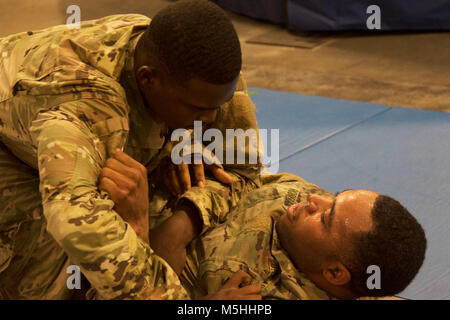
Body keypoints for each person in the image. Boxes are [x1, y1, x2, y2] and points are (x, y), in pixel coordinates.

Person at [0, 0, 263, 299]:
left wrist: (186, 218)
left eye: (218, 105)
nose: (211, 120)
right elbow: (75, 224)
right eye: (199, 110)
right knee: (53, 275)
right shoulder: (91, 107)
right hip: (15, 138)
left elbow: (243, 173)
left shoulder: (194, 69)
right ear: (147, 79)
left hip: (49, 125)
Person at [120, 164, 426, 300]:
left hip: (115, 253)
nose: (314, 200)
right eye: (334, 196)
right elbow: (242, 181)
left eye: (324, 217)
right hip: (159, 182)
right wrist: (187, 219)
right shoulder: (307, 200)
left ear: (334, 273)